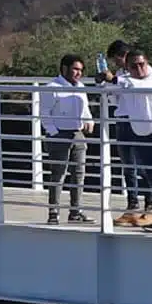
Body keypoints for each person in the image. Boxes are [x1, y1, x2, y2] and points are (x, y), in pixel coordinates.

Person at [104, 43, 152, 230]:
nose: (139, 68)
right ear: (127, 68)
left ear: (147, 62)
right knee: (149, 175)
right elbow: (115, 95)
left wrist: (113, 80)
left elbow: (136, 85)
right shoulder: (126, 80)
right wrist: (105, 81)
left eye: (142, 64)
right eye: (134, 66)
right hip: (141, 135)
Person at [35, 56, 95, 223]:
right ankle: (53, 212)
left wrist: (88, 121)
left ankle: (75, 211)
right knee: (58, 174)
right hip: (59, 134)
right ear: (64, 68)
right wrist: (53, 132)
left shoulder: (81, 87)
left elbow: (85, 109)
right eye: (75, 69)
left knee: (79, 173)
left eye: (81, 70)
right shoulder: (52, 87)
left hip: (77, 133)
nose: (78, 73)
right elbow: (44, 113)